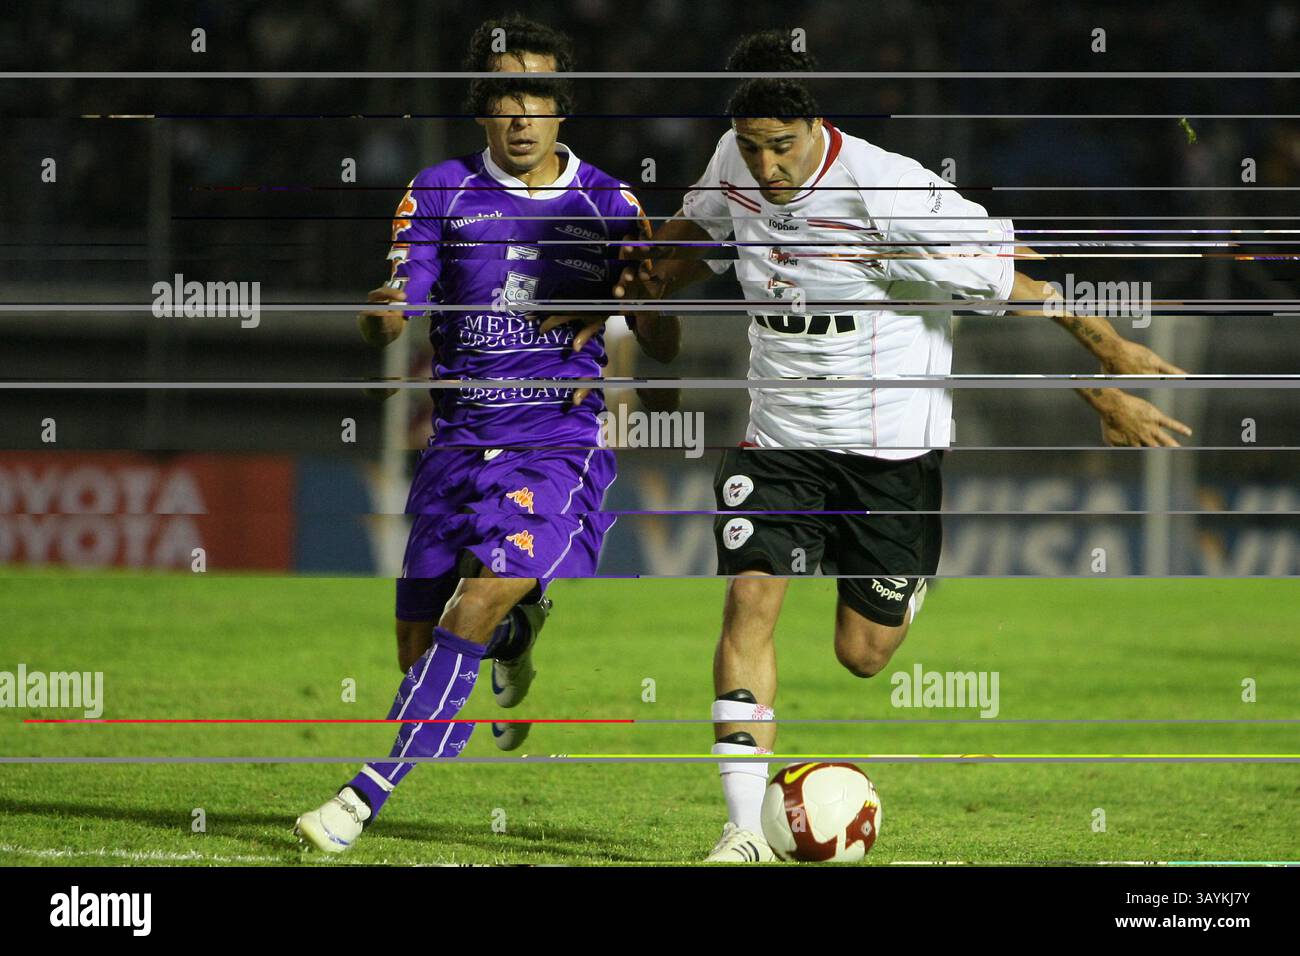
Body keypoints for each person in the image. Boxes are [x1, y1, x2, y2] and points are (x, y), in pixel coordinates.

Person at [611, 31, 1190, 862]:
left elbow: (1016, 281)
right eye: (752, 147)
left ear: (816, 124)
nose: (767, 166)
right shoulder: (732, 162)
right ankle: (741, 829)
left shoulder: (888, 190)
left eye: (782, 147)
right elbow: (699, 235)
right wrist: (654, 268)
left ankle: (905, 586)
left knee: (864, 654)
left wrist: (1108, 362)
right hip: (779, 435)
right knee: (749, 600)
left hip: (889, 450)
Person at [294, 19, 677, 854]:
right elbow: (397, 307)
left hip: (557, 441)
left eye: (538, 96)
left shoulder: (609, 204)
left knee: (473, 604)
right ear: (485, 111)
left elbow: (659, 340)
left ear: (561, 110)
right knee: (417, 647)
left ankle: (363, 797)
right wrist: (379, 322)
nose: (523, 114)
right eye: (507, 97)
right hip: (458, 442)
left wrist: (650, 314)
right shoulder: (440, 192)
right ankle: (516, 635)